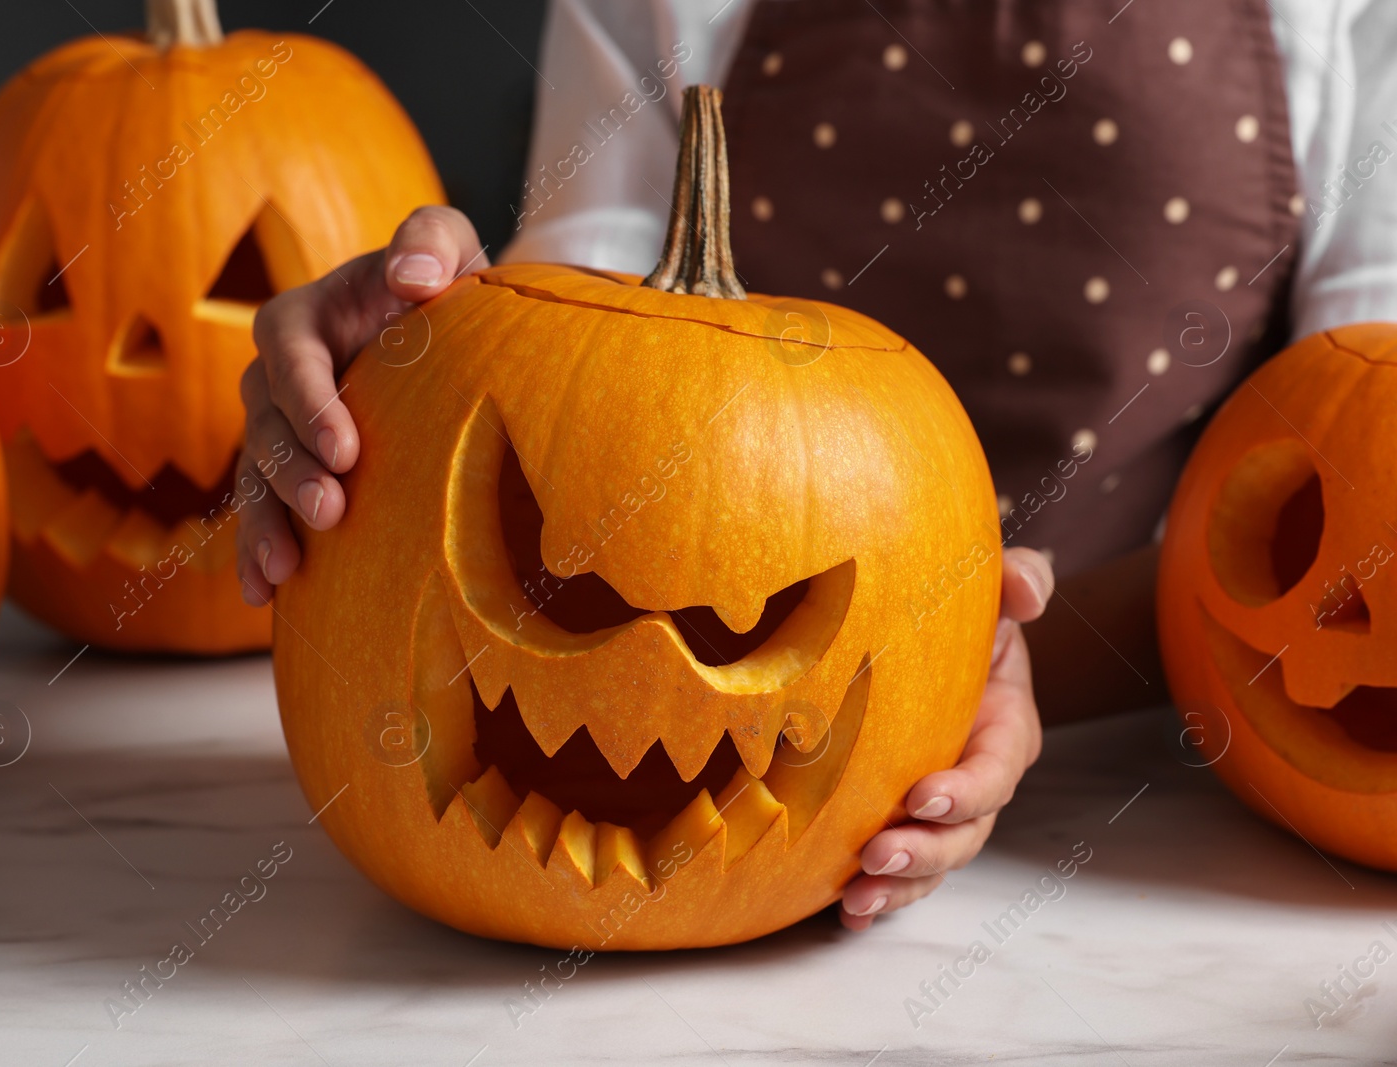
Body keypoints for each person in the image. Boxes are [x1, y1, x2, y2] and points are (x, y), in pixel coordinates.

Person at [234, 0, 1397, 931]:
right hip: (850, 792)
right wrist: (406, 361)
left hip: (1162, 800)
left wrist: (964, 668)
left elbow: (1357, 439)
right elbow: (567, 381)